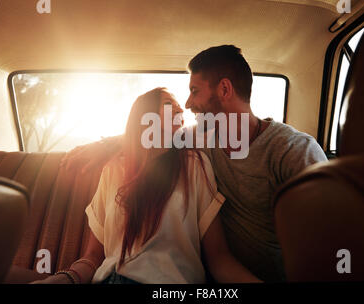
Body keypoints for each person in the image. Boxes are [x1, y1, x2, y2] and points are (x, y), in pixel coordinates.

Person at [61, 45, 328, 282]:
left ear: (224, 89)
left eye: (194, 91)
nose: (188, 105)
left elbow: (328, 234)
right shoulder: (200, 140)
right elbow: (149, 136)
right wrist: (104, 145)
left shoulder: (292, 150)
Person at [33, 88, 262, 284]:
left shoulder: (194, 165)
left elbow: (219, 259)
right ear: (146, 116)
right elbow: (93, 257)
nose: (181, 109)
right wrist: (66, 277)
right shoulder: (113, 169)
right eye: (169, 104)